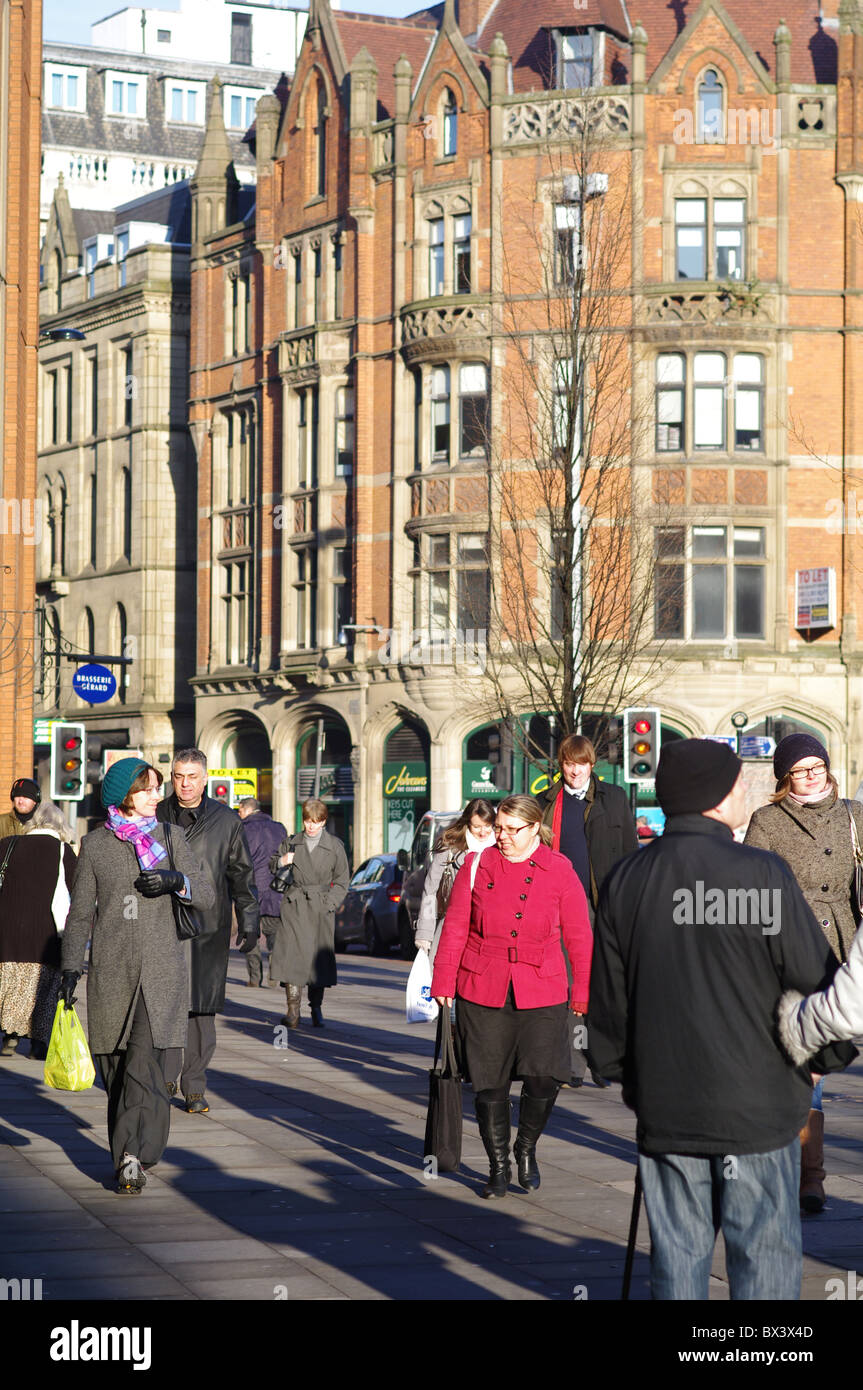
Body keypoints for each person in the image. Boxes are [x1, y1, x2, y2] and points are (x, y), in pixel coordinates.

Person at [588, 738, 852, 1300]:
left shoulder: (627, 880)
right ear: (715, 796)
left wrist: (622, 1071)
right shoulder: (762, 874)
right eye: (738, 783)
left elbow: (610, 1003)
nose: (746, 792)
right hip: (757, 1106)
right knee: (763, 1260)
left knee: (678, 1259)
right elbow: (819, 982)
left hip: (668, 1104)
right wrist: (822, 1062)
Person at [61, 759, 214, 1194]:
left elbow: (203, 893)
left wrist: (175, 880)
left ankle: (130, 1156)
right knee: (117, 1067)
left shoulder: (172, 836)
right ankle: (140, 1144)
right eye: (146, 789)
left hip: (161, 971)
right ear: (123, 795)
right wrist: (70, 966)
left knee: (143, 1060)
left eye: (155, 789)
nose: (155, 796)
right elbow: (79, 914)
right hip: (111, 972)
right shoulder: (94, 845)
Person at [431, 794, 592, 1199]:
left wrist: (584, 991)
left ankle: (526, 1146)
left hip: (543, 987)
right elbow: (455, 929)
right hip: (482, 987)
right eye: (498, 828)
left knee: (544, 1076)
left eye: (509, 829)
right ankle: (498, 1164)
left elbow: (579, 935)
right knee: (490, 1083)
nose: (499, 836)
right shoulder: (475, 865)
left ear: (535, 827)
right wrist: (443, 983)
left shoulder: (559, 869)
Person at [744, 733, 863, 1214]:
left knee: (816, 1064)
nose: (812, 775)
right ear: (784, 778)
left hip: (842, 948)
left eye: (818, 766)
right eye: (801, 769)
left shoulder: (855, 815)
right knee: (798, 1065)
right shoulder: (767, 822)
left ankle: (807, 1176)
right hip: (789, 950)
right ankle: (803, 1175)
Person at [156, 749, 259, 1114]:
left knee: (201, 1009)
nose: (185, 784)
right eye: (178, 776)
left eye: (192, 777)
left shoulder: (225, 820)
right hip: (161, 921)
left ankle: (194, 1087)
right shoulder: (155, 813)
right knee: (164, 1003)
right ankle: (164, 1078)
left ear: (204, 778)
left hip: (207, 925)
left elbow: (242, 874)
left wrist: (249, 919)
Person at [541, 733, 638, 1088]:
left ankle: (603, 1059)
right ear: (561, 766)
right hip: (562, 908)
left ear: (592, 765)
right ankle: (575, 1064)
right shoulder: (548, 803)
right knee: (571, 986)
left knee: (604, 985)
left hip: (604, 905)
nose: (575, 771)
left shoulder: (614, 798)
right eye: (569, 764)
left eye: (581, 764)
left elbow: (629, 851)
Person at [0, 802, 77, 1059]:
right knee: (45, 989)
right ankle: (38, 1044)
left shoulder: (8, 845)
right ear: (59, 824)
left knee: (11, 986)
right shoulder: (63, 851)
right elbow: (76, 890)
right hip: (45, 934)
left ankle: (10, 1035)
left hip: (8, 931)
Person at [269, 800, 349, 1028]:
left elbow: (343, 880)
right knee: (293, 957)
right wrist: (284, 860)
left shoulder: (334, 846)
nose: (311, 826)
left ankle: (316, 1007)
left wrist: (330, 903)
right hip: (295, 905)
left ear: (324, 822)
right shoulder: (292, 842)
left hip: (321, 908)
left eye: (316, 822)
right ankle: (293, 1011)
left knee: (317, 960)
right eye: (307, 821)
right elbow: (272, 864)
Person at [414, 799, 496, 966]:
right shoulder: (449, 847)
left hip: (491, 929)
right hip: (453, 925)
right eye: (477, 827)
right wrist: (425, 933)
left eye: (487, 826)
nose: (483, 832)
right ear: (467, 824)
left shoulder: (502, 846)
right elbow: (430, 891)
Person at [237, 797, 287, 988]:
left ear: (246, 810)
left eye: (240, 811)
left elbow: (238, 860)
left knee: (251, 935)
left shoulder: (243, 829)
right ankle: (274, 976)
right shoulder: (279, 828)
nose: (239, 814)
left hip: (251, 890)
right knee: (274, 936)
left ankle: (254, 978)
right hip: (276, 890)